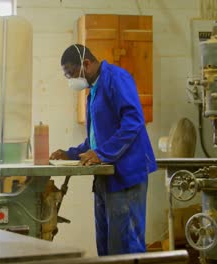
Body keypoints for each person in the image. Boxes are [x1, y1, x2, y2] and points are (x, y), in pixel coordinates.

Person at [50, 44, 157, 256]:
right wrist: (70, 153)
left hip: (126, 175)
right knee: (107, 245)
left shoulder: (117, 79)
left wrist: (101, 154)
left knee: (126, 247)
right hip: (106, 177)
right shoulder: (94, 90)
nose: (71, 80)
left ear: (86, 64)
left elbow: (133, 122)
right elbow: (96, 139)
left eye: (71, 74)